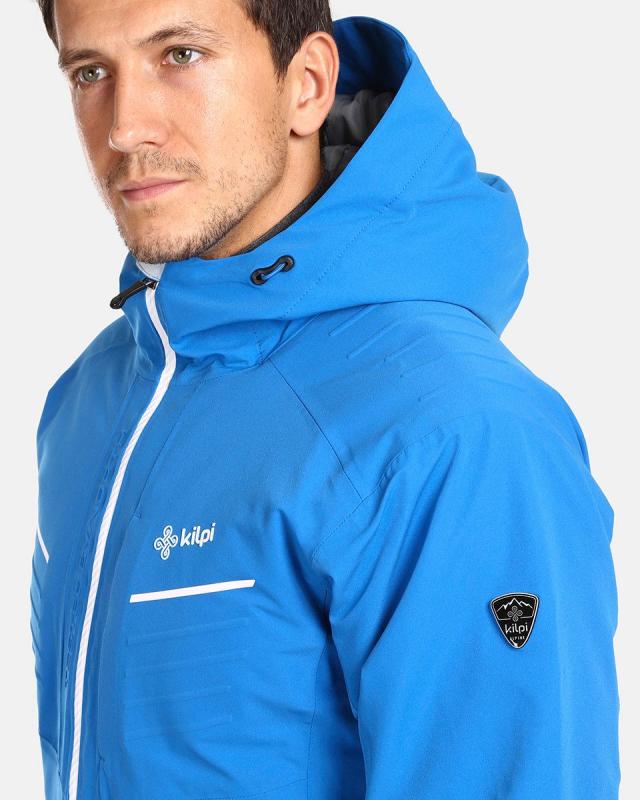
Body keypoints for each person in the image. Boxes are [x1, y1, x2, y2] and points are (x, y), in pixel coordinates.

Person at [30, 1, 620, 799]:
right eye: (91, 72)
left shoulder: (457, 431)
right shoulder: (93, 397)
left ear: (306, 83)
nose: (125, 126)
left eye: (180, 55)